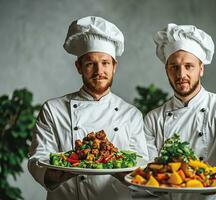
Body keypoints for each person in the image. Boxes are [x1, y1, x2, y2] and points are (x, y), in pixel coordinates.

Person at [28, 16, 148, 200]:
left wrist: (116, 166)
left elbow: (140, 167)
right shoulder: (53, 110)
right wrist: (67, 168)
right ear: (79, 67)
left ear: (114, 66)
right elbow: (38, 160)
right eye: (91, 63)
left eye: (105, 63)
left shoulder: (131, 115)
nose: (99, 71)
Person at [144, 23, 216, 199]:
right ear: (166, 70)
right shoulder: (154, 118)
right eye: (174, 67)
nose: (181, 74)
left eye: (189, 66)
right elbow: (149, 169)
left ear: (201, 69)